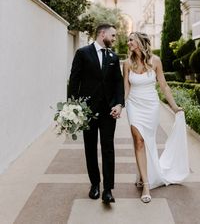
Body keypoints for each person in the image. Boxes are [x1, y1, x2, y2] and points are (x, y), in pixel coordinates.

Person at [123, 32, 189, 204]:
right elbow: (126, 89)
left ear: (139, 42)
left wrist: (174, 107)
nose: (128, 42)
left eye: (131, 39)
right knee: (138, 141)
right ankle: (146, 185)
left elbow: (164, 86)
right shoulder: (127, 63)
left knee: (148, 141)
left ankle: (141, 174)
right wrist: (119, 105)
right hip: (134, 105)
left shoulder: (156, 61)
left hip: (151, 106)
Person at [68, 23, 124, 204]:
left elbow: (118, 84)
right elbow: (74, 81)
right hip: (88, 111)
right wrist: (73, 108)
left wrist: (119, 104)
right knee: (90, 149)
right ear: (102, 34)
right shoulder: (83, 53)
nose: (115, 39)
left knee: (108, 148)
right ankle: (94, 185)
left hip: (108, 112)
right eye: (113, 35)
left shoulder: (113, 57)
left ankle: (108, 190)